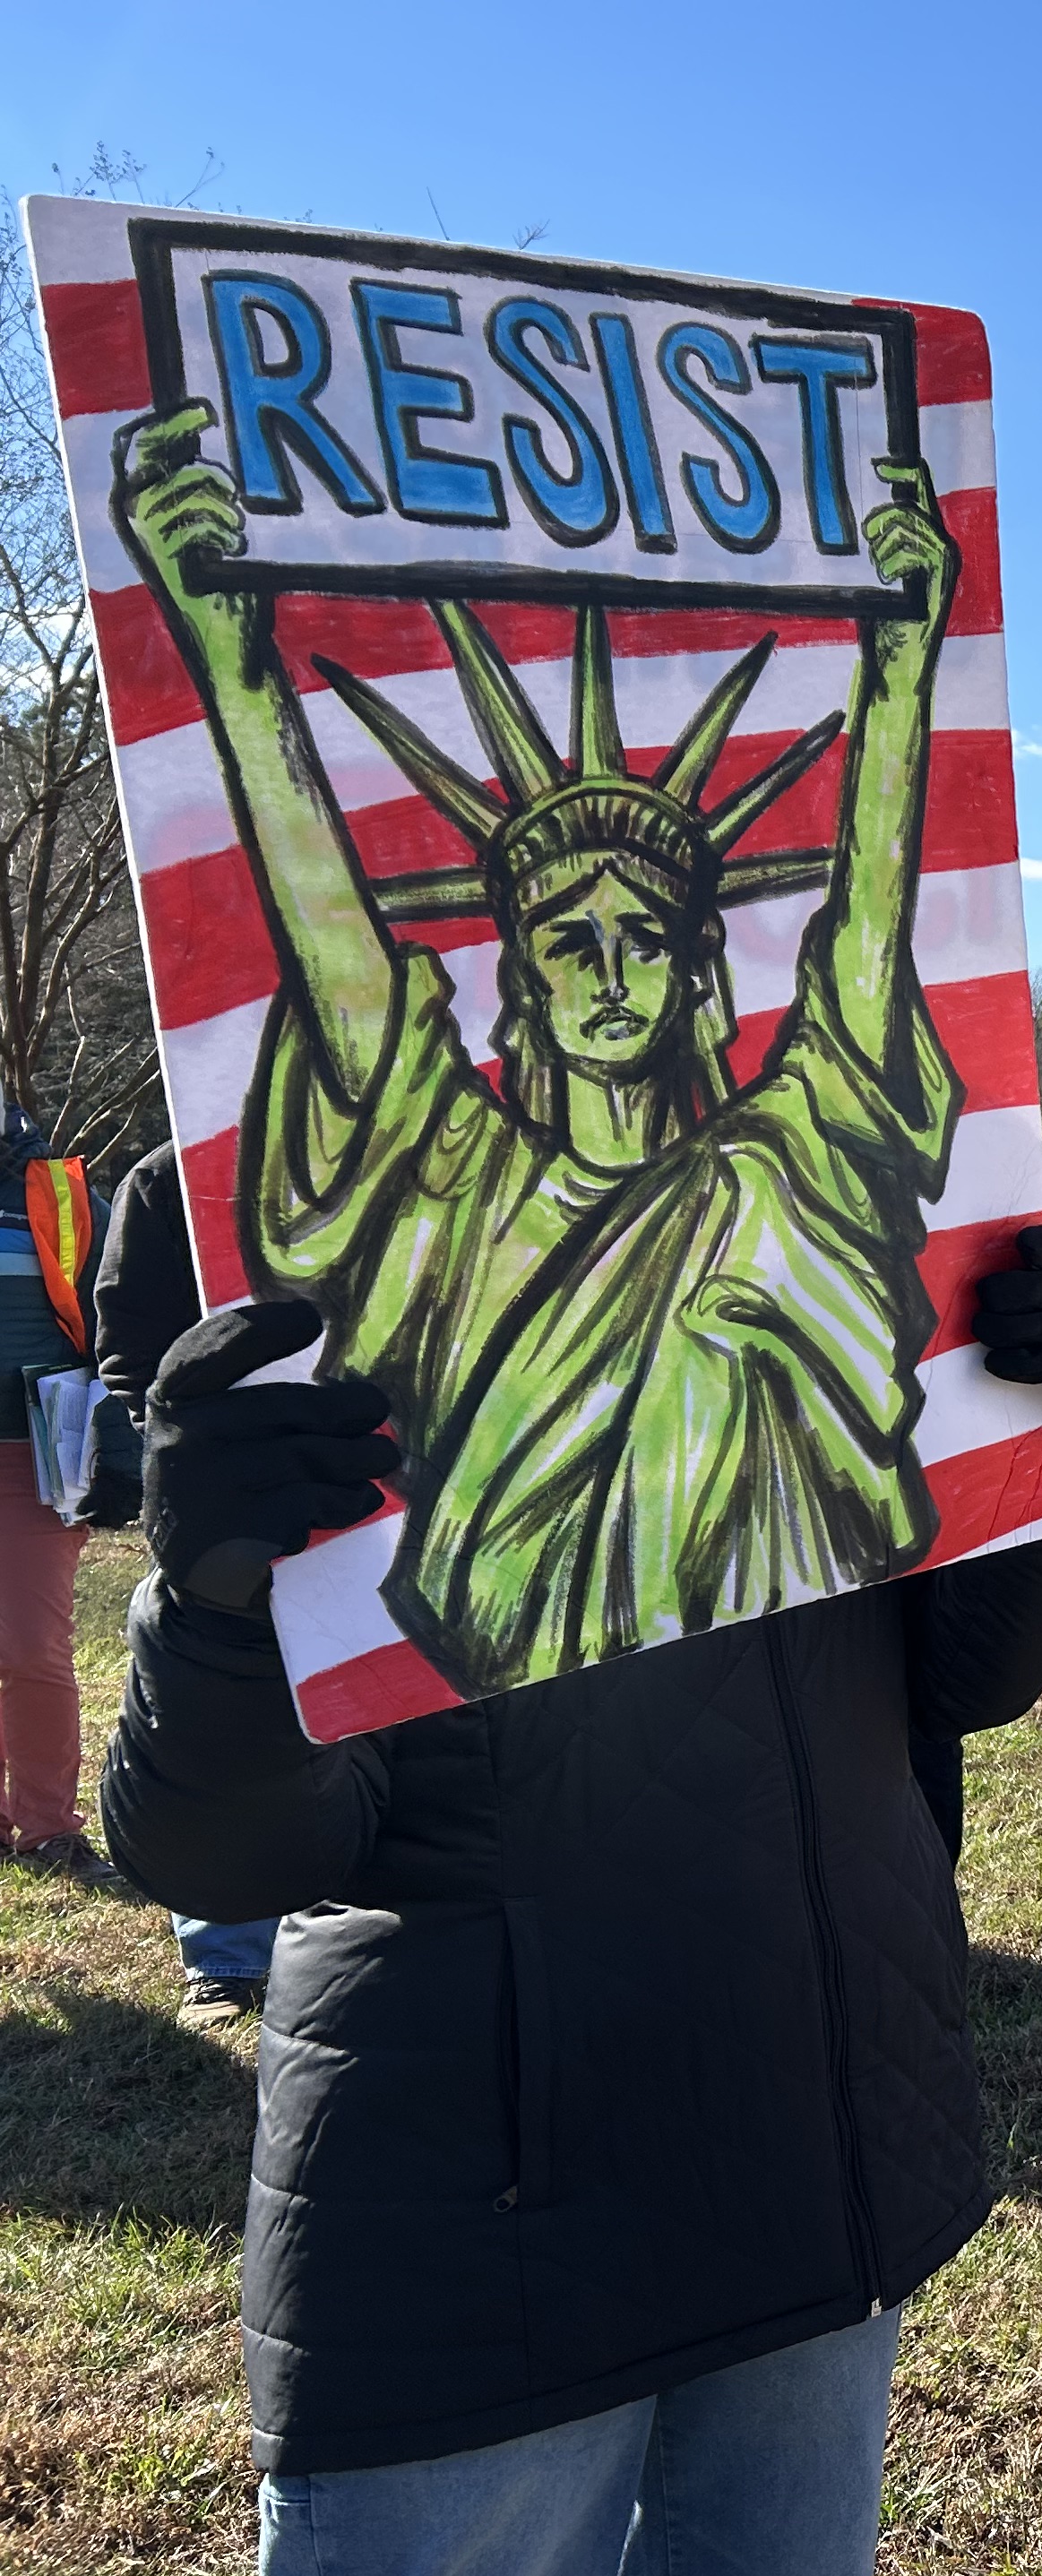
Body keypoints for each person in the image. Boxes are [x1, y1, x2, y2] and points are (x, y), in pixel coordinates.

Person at [100, 1222, 1042, 2576]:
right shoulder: (355, 1228)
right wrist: (215, 1609)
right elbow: (227, 1860)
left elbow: (965, 1674)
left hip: (815, 2132)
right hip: (483, 2210)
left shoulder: (809, 1219)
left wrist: (1041, 1438)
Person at [116, 404, 971, 1699]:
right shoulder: (460, 1187)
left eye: (648, 937)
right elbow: (343, 966)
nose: (613, 969)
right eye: (571, 943)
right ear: (521, 982)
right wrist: (232, 665)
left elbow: (867, 933)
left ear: (699, 974)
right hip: (505, 1726)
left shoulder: (784, 1168)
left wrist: (904, 670)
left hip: (800, 1688)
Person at [85, 1142, 276, 2022]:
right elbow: (128, 1341)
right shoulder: (170, 1176)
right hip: (223, 1505)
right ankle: (227, 1961)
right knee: (212, 1709)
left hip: (402, 1490)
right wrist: (187, 1463)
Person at [0, 1123, 116, 1891]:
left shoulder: (61, 1196)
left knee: (31, 1646)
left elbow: (124, 1308)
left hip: (32, 1457)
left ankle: (47, 1828)